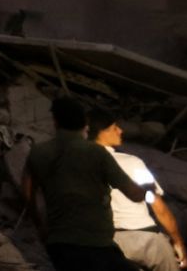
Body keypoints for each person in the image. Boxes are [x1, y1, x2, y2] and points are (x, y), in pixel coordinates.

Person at [23, 97, 153, 271]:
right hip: (96, 244)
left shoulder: (38, 153)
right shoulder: (96, 153)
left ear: (55, 122)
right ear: (85, 124)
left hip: (59, 244)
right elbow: (133, 194)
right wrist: (147, 189)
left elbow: (28, 194)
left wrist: (41, 226)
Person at [89, 110, 187, 270]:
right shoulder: (131, 163)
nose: (120, 131)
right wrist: (178, 242)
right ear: (101, 133)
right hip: (145, 240)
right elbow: (158, 206)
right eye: (114, 128)